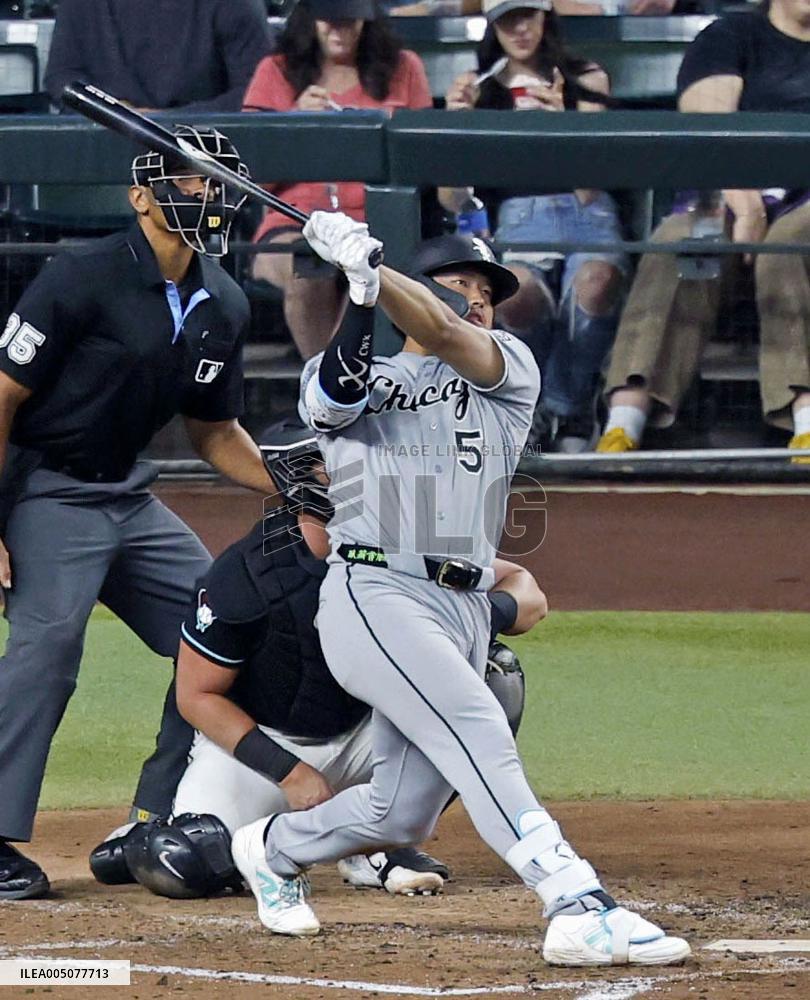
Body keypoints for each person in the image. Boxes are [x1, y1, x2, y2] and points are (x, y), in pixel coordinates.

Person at [228, 219, 690, 966]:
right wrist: (363, 292)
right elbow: (337, 393)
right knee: (475, 721)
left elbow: (441, 331)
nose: (478, 300)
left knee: (400, 808)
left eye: (488, 290)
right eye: (462, 284)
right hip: (374, 593)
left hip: (463, 606)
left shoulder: (509, 366)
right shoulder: (346, 372)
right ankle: (574, 900)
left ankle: (272, 848)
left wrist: (381, 278)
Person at [0, 126, 276, 901]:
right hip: (47, 488)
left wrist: (292, 488)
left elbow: (215, 431)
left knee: (226, 628)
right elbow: (3, 396)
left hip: (130, 493)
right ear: (140, 197)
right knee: (48, 645)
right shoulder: (78, 277)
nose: (207, 194)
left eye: (217, 181)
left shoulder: (222, 299)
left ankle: (154, 820)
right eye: (190, 181)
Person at [90, 427, 539, 898]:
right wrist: (291, 772)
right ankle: (170, 833)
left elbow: (527, 591)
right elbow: (196, 696)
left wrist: (468, 616)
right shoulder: (249, 572)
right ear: (301, 480)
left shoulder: (411, 540)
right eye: (341, 463)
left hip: (372, 736)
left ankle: (378, 844)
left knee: (493, 674)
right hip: (266, 751)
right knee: (185, 863)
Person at [596, 0, 810, 457]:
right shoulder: (731, 36)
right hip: (732, 193)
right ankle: (625, 419)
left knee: (791, 244)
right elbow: (709, 127)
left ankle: (807, 416)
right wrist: (745, 199)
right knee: (682, 241)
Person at [441, 0, 628, 453]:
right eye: (508, 19)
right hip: (520, 214)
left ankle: (562, 405)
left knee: (596, 283)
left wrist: (564, 124)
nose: (520, 29)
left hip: (587, 208)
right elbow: (452, 198)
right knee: (516, 292)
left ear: (546, 17)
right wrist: (454, 128)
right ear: (492, 25)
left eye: (528, 15)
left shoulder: (585, 76)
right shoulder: (478, 88)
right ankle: (560, 405)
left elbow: (603, 172)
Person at [242, 0, 432, 359]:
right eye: (329, 20)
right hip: (295, 220)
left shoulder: (404, 67)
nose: (337, 30)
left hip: (378, 221)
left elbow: (423, 163)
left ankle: (345, 397)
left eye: (349, 20)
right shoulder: (276, 70)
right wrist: (294, 123)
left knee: (371, 276)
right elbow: (252, 178)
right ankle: (329, 395)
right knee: (310, 267)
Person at [44, 0, 273, 112]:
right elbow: (62, 76)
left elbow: (260, 93)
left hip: (204, 156)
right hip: (105, 150)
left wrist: (169, 122)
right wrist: (112, 114)